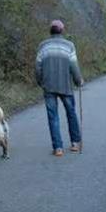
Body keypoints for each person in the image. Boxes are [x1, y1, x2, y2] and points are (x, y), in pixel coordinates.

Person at [35, 20, 84, 157]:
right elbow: (74, 66)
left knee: (53, 117)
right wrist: (78, 80)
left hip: (49, 86)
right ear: (62, 31)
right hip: (65, 86)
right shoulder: (69, 46)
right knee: (71, 113)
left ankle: (58, 148)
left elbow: (38, 67)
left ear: (50, 31)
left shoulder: (43, 46)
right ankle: (75, 143)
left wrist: (40, 82)